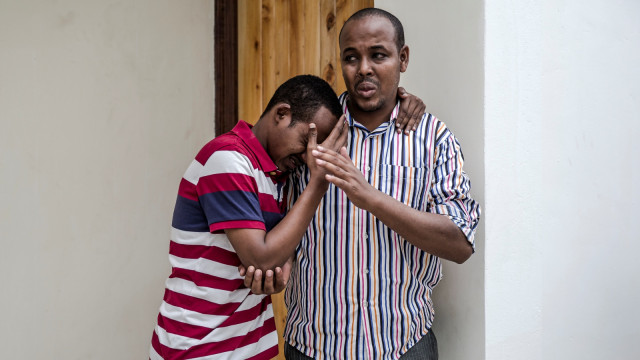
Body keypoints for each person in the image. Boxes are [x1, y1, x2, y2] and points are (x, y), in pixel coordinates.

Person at [246, 8, 481, 360]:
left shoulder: (433, 138)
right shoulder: (314, 134)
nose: (364, 68)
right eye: (351, 57)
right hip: (313, 346)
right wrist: (278, 268)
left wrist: (370, 197)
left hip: (405, 345)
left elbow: (460, 243)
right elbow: (273, 215)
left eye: (379, 55)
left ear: (403, 59)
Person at [148, 75, 349, 360]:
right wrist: (318, 183)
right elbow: (262, 257)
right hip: (197, 347)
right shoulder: (227, 159)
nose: (308, 158)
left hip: (249, 346)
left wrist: (284, 265)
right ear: (282, 114)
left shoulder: (280, 175)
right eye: (306, 141)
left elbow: (275, 250)